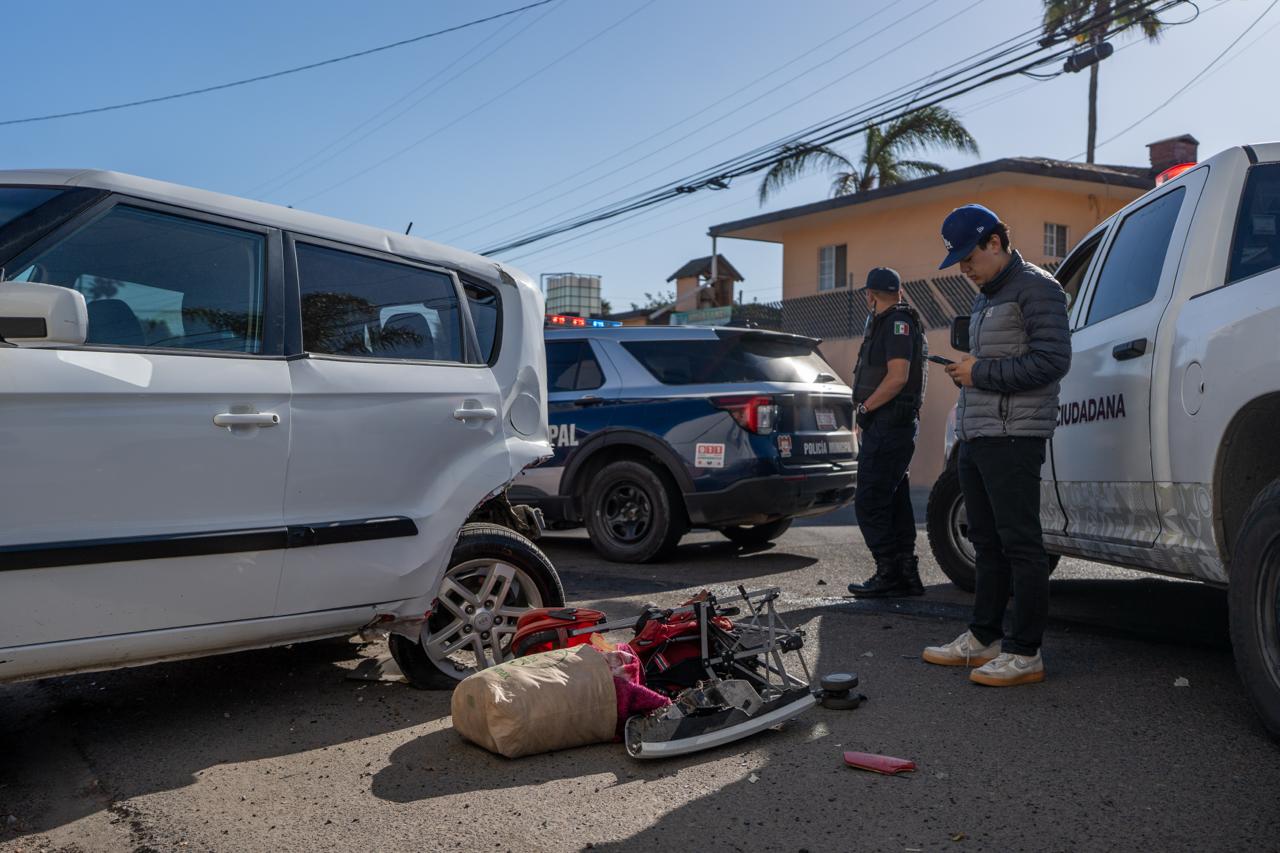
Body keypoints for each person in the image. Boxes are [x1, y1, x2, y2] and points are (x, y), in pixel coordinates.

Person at [921, 204, 1071, 687]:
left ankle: (1025, 652)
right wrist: (972, 371)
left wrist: (978, 372)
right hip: (978, 433)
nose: (964, 267)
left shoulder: (1039, 289)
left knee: (1021, 545)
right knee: (985, 542)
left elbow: (1052, 361)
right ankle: (983, 637)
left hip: (1015, 436)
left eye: (969, 256)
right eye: (958, 259)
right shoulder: (987, 297)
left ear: (995, 242)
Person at [847, 267, 927, 599]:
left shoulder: (896, 324)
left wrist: (866, 409)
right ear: (899, 290)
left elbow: (897, 377)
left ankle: (889, 571)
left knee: (869, 501)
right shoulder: (896, 321)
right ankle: (906, 573)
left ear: (870, 295)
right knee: (894, 501)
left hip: (888, 423)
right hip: (891, 424)